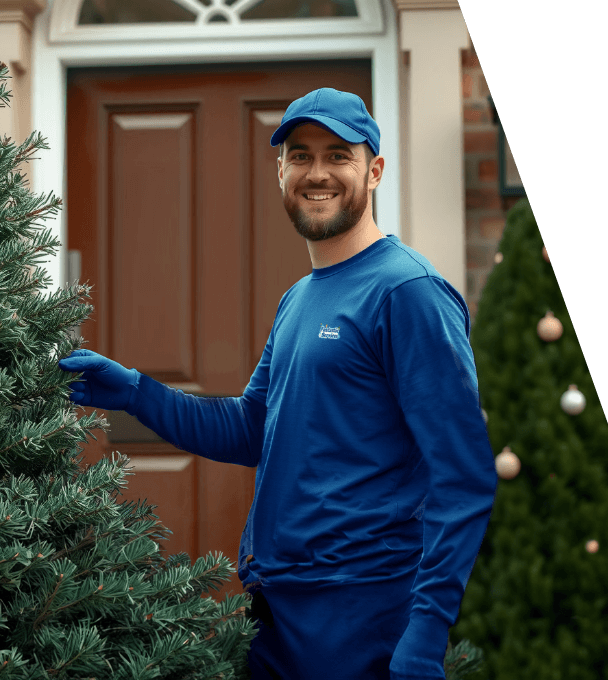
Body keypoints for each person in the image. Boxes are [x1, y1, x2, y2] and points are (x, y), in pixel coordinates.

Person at [58, 87, 497, 680]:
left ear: (375, 170)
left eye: (338, 155)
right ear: (280, 171)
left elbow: (463, 476)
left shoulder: (406, 292)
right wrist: (137, 391)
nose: (317, 173)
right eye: (300, 155)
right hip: (278, 610)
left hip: (360, 611)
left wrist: (425, 633)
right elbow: (251, 428)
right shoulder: (300, 297)